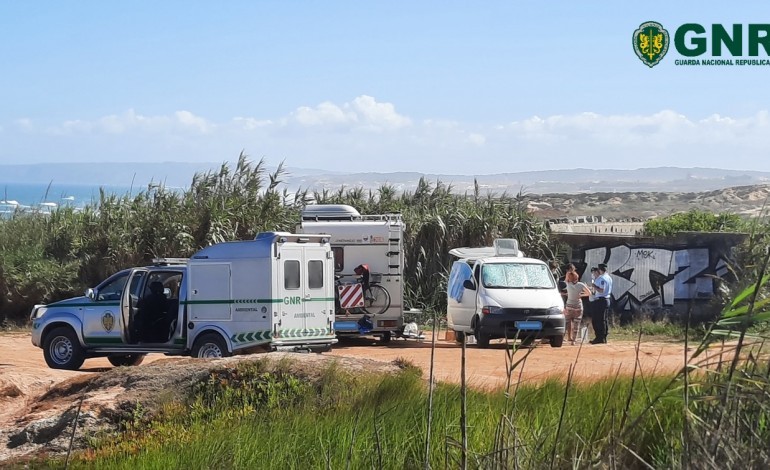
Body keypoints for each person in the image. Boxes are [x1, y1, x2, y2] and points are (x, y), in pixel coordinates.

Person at [563, 271, 590, 345]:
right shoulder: (581, 285)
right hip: (578, 305)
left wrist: (569, 272)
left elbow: (566, 278)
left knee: (567, 321)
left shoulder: (568, 284)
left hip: (569, 305)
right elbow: (589, 293)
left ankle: (563, 337)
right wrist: (581, 295)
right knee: (576, 323)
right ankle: (573, 340)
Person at [589, 263, 612, 344]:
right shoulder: (609, 277)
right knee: (603, 319)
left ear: (600, 270)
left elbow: (601, 290)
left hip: (601, 300)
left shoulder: (602, 278)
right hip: (606, 299)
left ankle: (599, 337)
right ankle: (603, 337)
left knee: (597, 320)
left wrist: (594, 286)